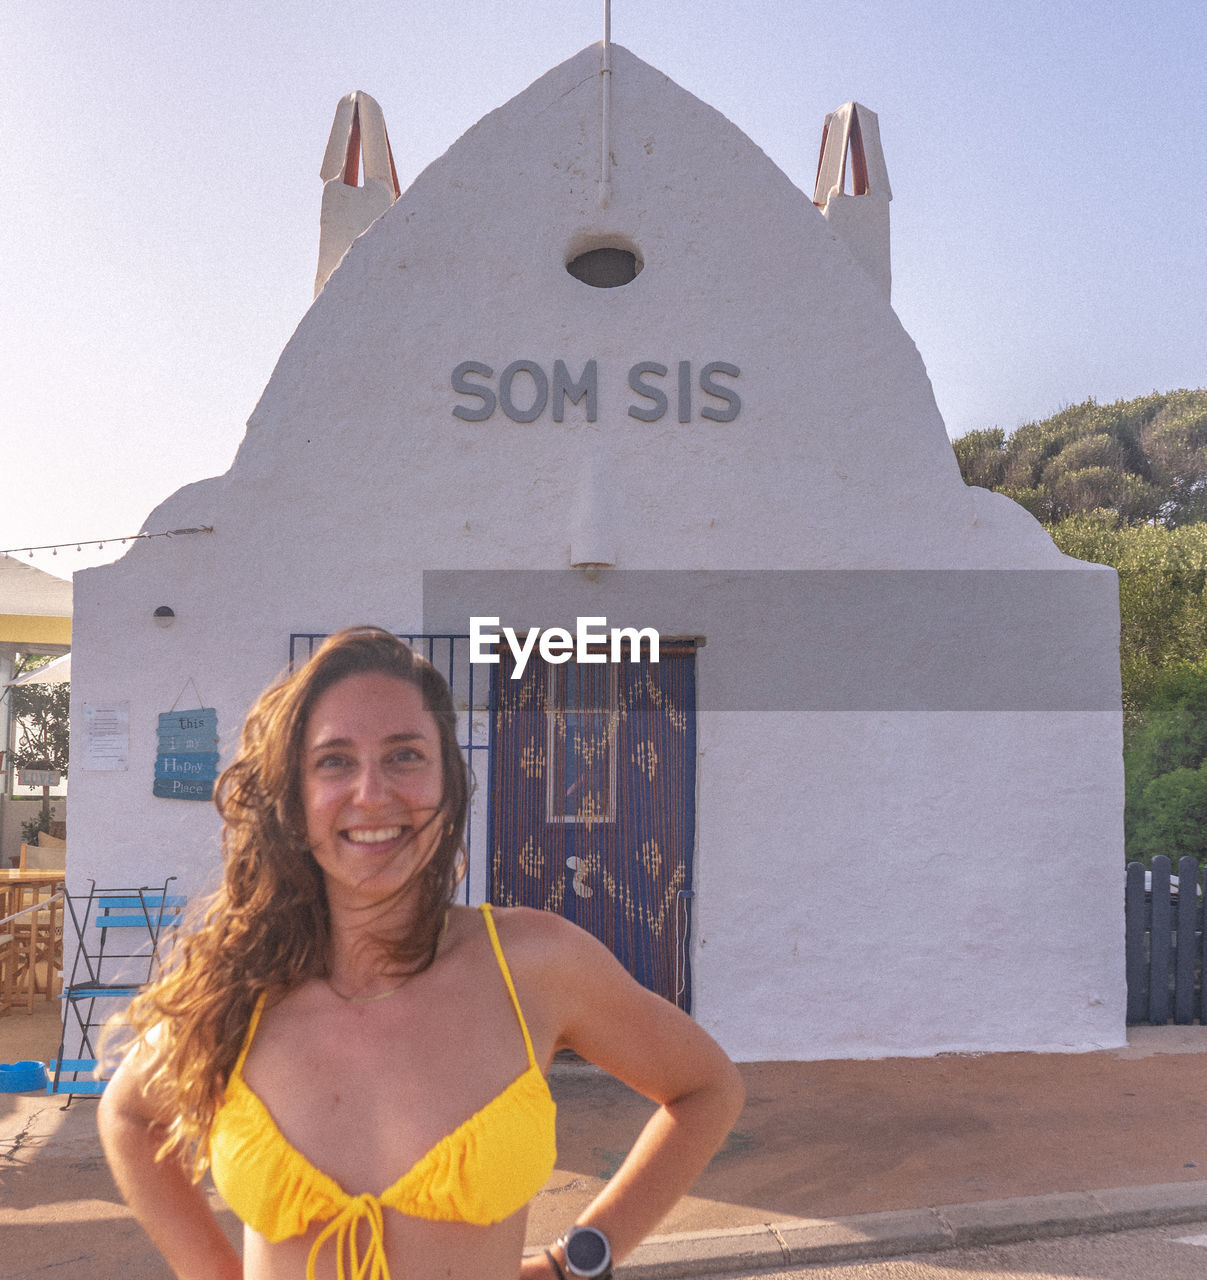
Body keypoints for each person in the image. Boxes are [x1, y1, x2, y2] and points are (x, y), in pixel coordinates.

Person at [99, 625, 744, 1280]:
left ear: (448, 782)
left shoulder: (534, 964)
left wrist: (575, 1261)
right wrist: (212, 1272)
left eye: (405, 755)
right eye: (334, 760)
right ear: (292, 798)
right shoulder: (241, 981)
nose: (372, 793)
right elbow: (129, 1114)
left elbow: (705, 1088)